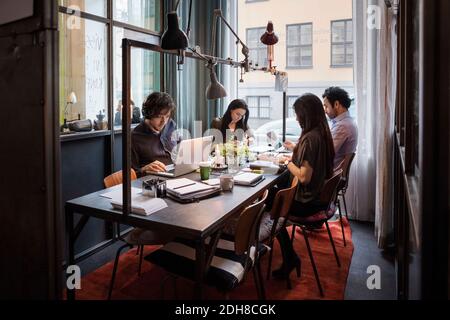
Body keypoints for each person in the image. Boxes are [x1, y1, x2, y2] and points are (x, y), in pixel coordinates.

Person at [271, 93, 335, 280]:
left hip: (306, 202)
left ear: (306, 115)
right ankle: (284, 253)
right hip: (317, 198)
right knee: (275, 193)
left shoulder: (310, 138)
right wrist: (296, 151)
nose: (297, 118)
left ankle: (287, 255)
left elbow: (304, 178)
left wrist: (285, 161)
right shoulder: (321, 133)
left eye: (298, 114)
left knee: (269, 201)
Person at [131, 92, 179, 177]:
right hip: (152, 180)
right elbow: (131, 175)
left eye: (167, 116)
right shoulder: (134, 137)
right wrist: (144, 169)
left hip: (176, 174)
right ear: (148, 114)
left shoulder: (171, 125)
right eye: (159, 117)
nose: (164, 122)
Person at [322, 87, 358, 168]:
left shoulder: (342, 126)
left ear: (336, 104)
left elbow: (325, 153)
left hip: (329, 176)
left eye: (326, 106)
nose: (325, 110)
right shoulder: (347, 122)